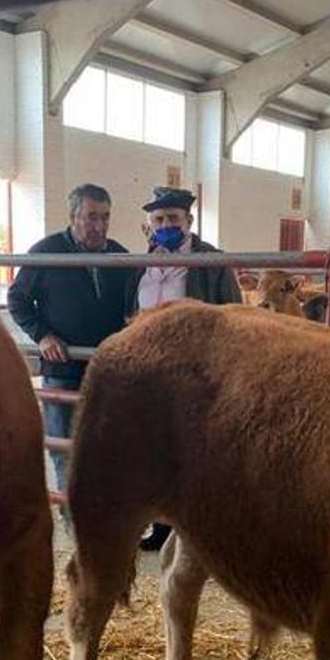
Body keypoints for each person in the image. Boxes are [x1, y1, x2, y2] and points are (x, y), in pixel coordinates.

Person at [126, 187, 242, 551]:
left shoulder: (211, 262)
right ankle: (161, 526)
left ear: (188, 221)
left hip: (193, 371)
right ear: (149, 225)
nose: (166, 225)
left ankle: (196, 527)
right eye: (159, 220)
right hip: (148, 371)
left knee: (191, 448)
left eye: (173, 218)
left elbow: (233, 313)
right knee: (152, 449)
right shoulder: (139, 264)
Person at [7, 184, 135, 495]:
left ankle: (100, 514)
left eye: (105, 217)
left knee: (105, 447)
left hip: (108, 370)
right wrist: (42, 335)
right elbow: (18, 299)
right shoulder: (47, 252)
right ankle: (71, 516)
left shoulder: (121, 257)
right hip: (63, 369)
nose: (99, 226)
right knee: (65, 449)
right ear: (73, 216)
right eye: (91, 217)